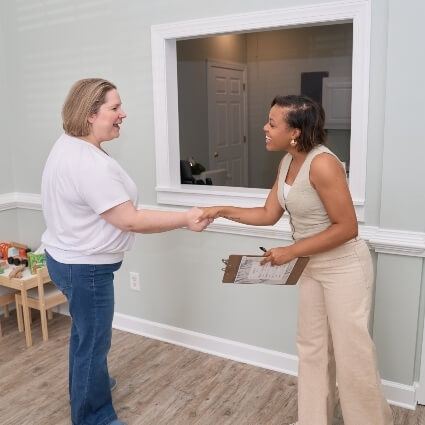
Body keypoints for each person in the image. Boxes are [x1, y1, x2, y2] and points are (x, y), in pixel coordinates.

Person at [197, 95, 394, 425]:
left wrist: (291, 251)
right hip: (311, 266)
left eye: (272, 123)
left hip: (344, 267)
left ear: (296, 133)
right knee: (312, 347)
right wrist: (220, 211)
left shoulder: (323, 164)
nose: (265, 127)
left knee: (352, 355)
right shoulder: (288, 161)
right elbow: (268, 213)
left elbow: (347, 227)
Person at [41, 78, 210, 425]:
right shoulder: (89, 164)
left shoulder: (69, 144)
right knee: (93, 343)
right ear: (90, 114)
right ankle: (93, 416)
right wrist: (185, 218)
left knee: (84, 336)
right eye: (115, 108)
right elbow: (129, 221)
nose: (123, 114)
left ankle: (93, 383)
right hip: (85, 268)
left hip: (66, 258)